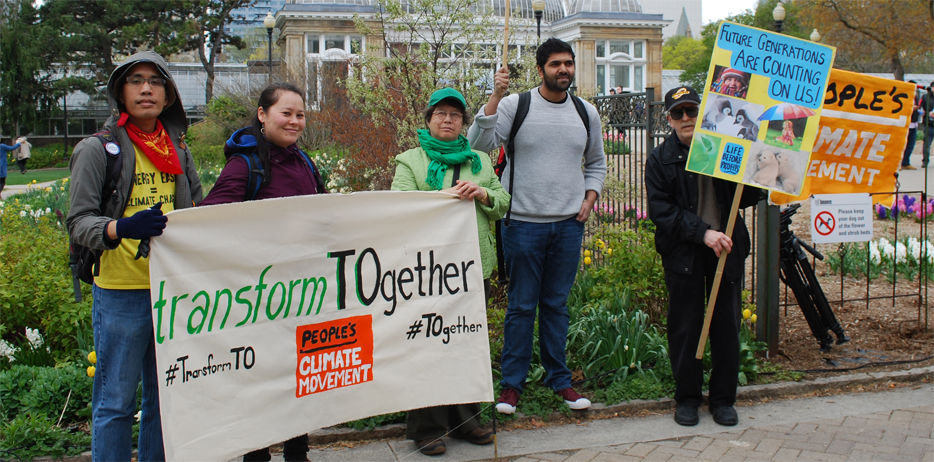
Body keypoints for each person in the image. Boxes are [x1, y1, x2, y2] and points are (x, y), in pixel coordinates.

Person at [66, 51, 203, 461]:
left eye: (156, 81)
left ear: (168, 94)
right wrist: (119, 228)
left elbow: (195, 208)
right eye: (135, 80)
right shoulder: (97, 149)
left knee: (165, 403)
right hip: (121, 292)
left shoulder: (177, 148)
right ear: (119, 93)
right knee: (115, 404)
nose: (146, 89)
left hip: (169, 292)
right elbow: (78, 222)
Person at [467, 38, 606, 414]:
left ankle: (559, 380)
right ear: (541, 68)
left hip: (567, 226)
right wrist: (494, 97)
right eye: (556, 64)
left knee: (556, 306)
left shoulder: (585, 112)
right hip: (522, 224)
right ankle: (512, 385)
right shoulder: (517, 105)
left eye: (569, 64)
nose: (564, 70)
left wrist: (590, 197)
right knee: (521, 306)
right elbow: (477, 144)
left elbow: (596, 163)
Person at [201, 82, 324, 461]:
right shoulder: (245, 165)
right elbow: (209, 218)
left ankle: (297, 452)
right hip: (259, 299)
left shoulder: (304, 162)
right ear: (262, 115)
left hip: (304, 293)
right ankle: (256, 455)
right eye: (285, 113)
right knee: (258, 382)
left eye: (300, 115)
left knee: (299, 378)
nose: (294, 121)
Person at [391, 87, 508, 456]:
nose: (447, 120)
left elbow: (503, 203)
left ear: (463, 124)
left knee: (467, 342)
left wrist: (484, 194)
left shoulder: (479, 161)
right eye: (440, 113)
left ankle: (466, 421)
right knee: (427, 345)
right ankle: (427, 428)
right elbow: (400, 205)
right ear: (428, 120)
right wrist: (440, 198)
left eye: (455, 115)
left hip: (473, 268)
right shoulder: (410, 160)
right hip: (426, 273)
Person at [644, 86, 762, 427]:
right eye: (678, 113)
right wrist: (702, 233)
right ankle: (688, 399)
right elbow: (661, 211)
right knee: (686, 326)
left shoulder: (726, 147)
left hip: (726, 249)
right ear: (668, 118)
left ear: (703, 113)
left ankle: (723, 399)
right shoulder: (660, 158)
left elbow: (749, 195)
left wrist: (758, 168)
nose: (686, 118)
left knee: (726, 324)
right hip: (685, 251)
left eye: (692, 111)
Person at [901, 81, 921, 170]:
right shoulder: (904, 95)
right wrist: (913, 108)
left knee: (911, 144)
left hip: (914, 122)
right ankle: (899, 163)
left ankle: (906, 162)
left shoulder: (915, 96)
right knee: (902, 145)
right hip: (905, 124)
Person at [920, 82, 934, 169]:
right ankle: (925, 161)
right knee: (927, 144)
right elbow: (920, 108)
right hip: (929, 124)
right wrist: (926, 114)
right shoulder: (925, 97)